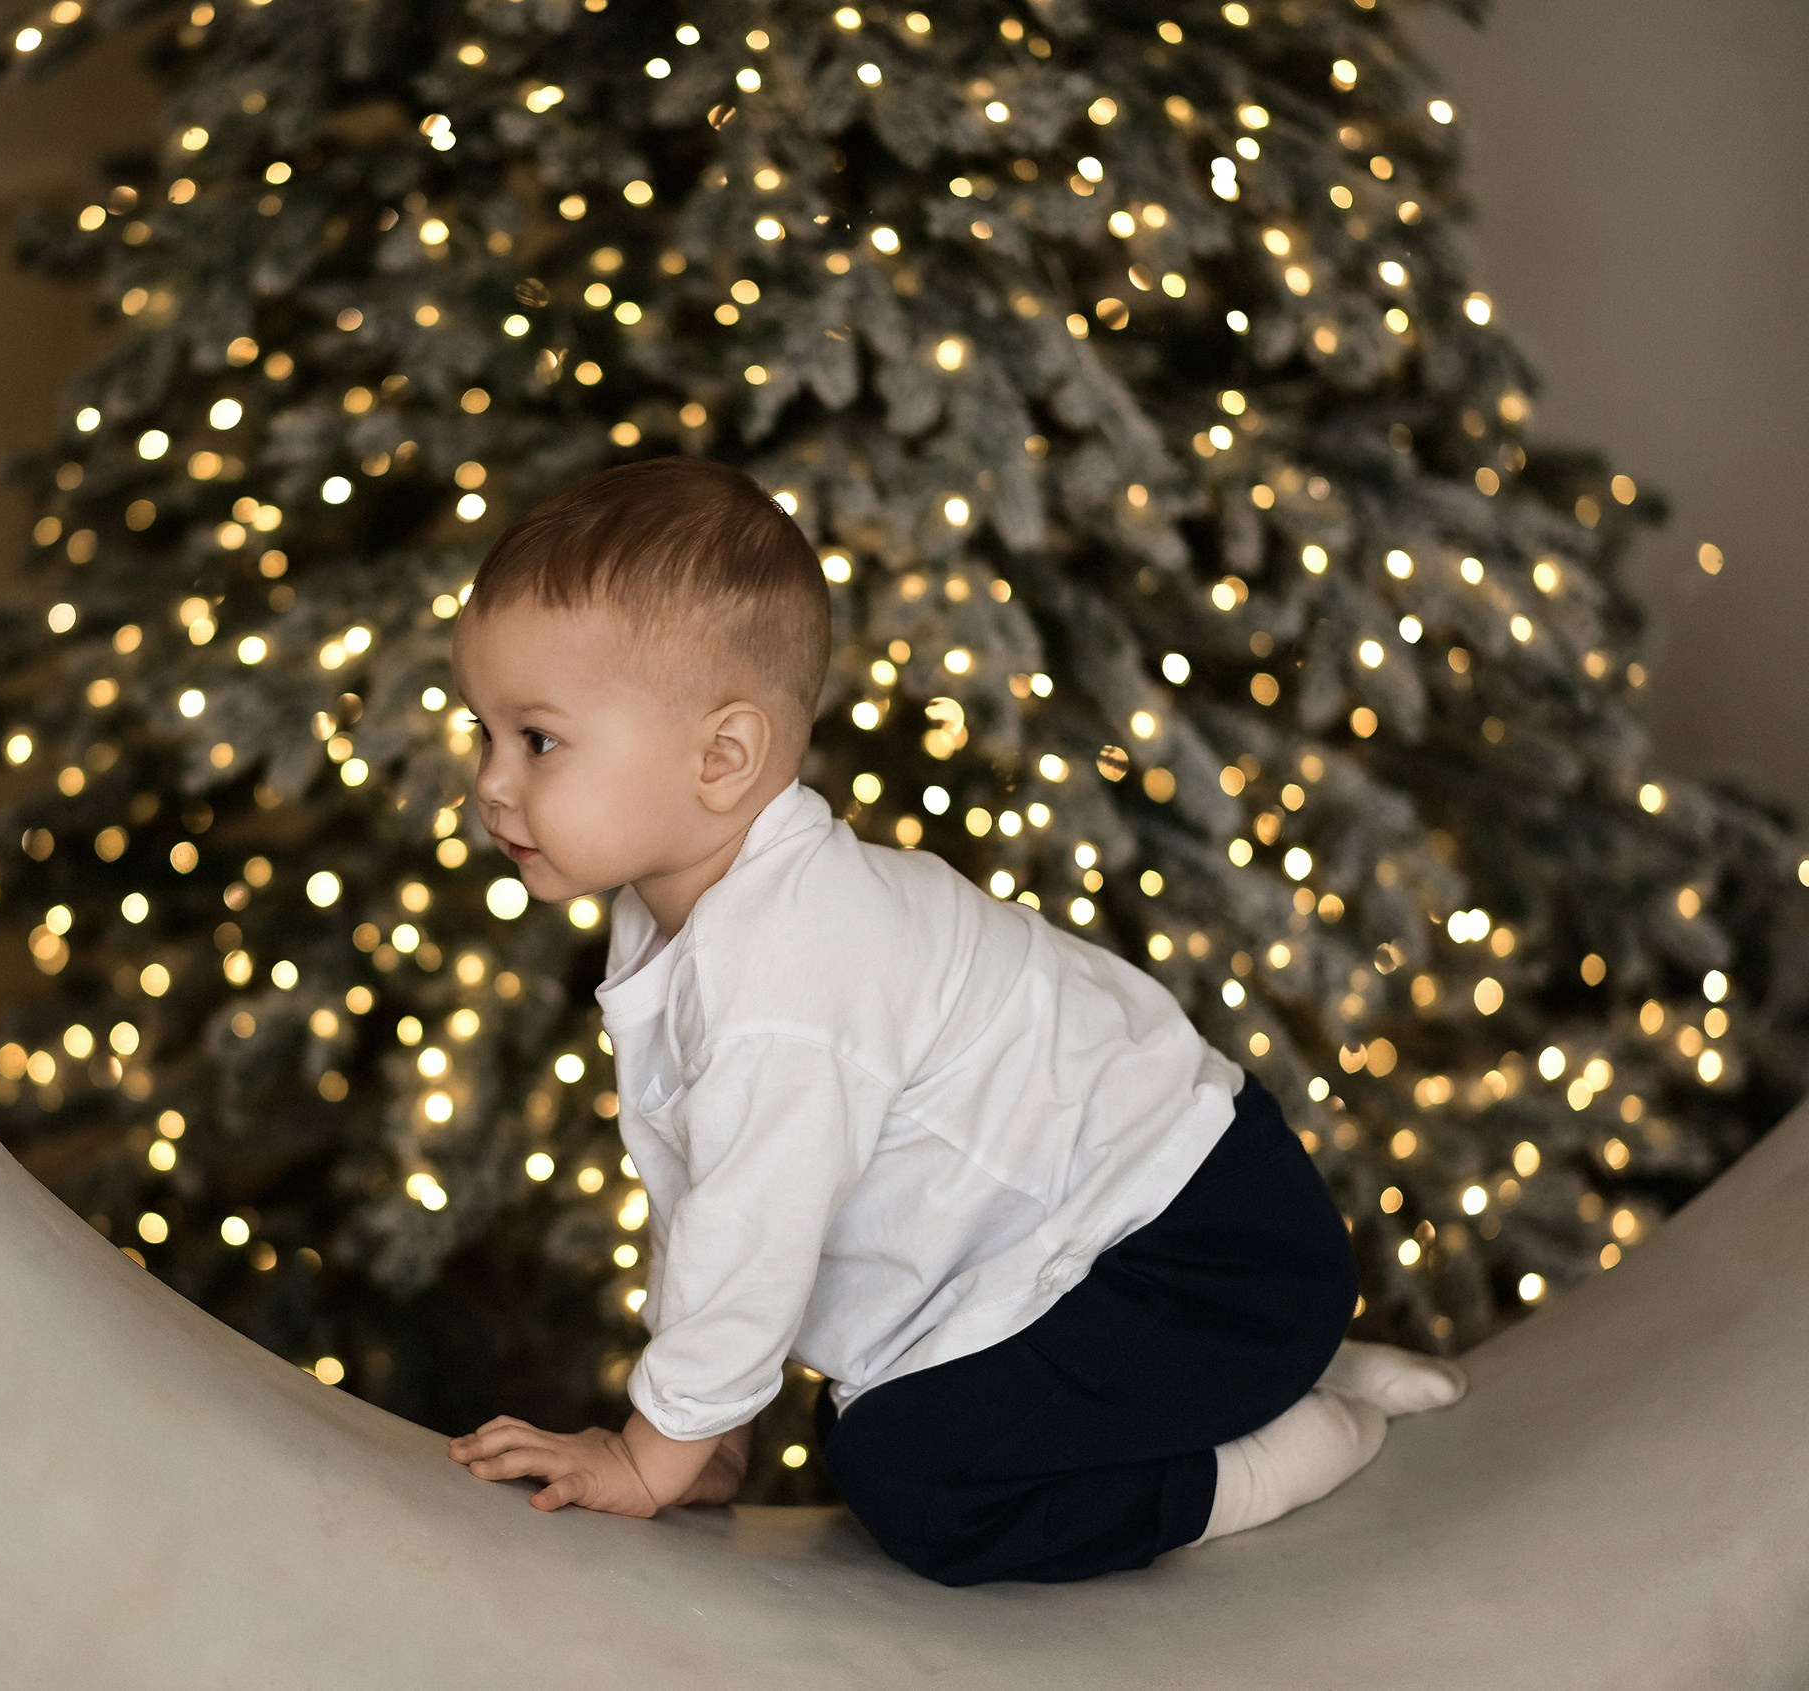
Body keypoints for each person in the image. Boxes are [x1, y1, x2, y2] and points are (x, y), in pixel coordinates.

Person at [443, 456, 1465, 1585]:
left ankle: (1276, 1444)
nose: (491, 782)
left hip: (1205, 1257)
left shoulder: (787, 972)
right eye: (482, 733)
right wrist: (710, 1437)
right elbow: (712, 1194)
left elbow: (750, 1223)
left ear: (720, 758)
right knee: (870, 1420)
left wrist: (652, 1458)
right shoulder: (689, 922)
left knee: (915, 1477)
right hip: (1136, 1252)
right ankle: (1255, 1383)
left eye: (535, 739)